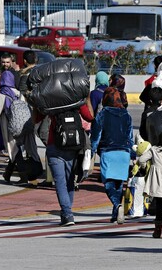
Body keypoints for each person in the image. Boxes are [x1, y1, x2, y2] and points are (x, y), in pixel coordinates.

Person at [35, 96, 94, 226]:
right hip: (72, 145)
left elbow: (37, 118)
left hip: (54, 144)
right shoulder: (75, 98)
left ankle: (67, 213)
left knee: (60, 182)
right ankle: (67, 212)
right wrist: (87, 99)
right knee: (69, 180)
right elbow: (90, 117)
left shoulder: (51, 98)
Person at [91, 87, 134, 224]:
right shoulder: (127, 115)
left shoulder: (102, 114)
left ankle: (117, 205)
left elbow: (96, 136)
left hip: (108, 151)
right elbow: (130, 137)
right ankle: (116, 214)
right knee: (119, 184)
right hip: (124, 153)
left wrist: (92, 151)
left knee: (108, 183)